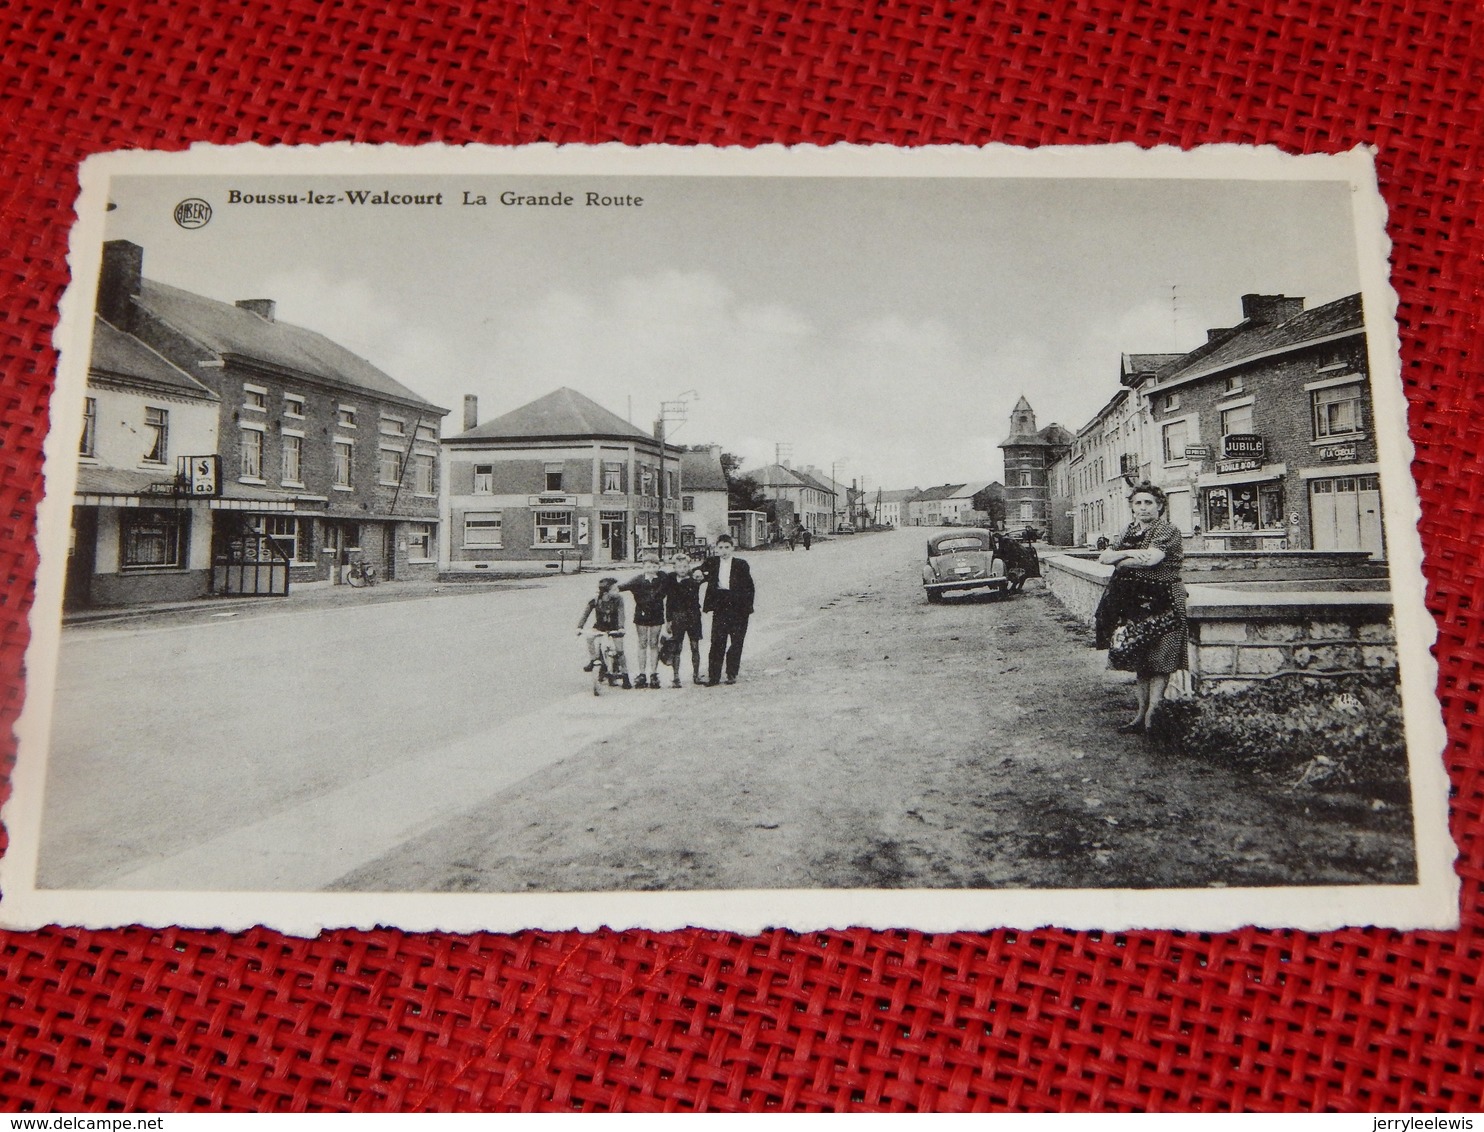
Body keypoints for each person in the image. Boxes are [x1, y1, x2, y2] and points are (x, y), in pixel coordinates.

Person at [1095, 483, 1188, 734]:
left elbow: (1152, 560)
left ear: (1159, 506)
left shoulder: (1168, 530)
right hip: (1136, 601)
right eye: (1138, 503)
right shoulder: (1129, 530)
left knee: (1161, 659)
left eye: (1149, 503)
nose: (1143, 507)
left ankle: (1153, 717)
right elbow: (1104, 557)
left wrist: (1121, 557)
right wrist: (1128, 555)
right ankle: (1139, 716)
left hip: (1165, 600)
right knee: (1141, 659)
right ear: (1132, 507)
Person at [701, 534, 755, 685]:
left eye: (727, 547)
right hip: (720, 604)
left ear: (732, 548)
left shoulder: (741, 564)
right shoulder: (711, 562)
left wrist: (747, 608)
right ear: (716, 549)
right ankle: (714, 676)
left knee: (736, 641)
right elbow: (698, 572)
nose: (723, 551)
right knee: (717, 640)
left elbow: (749, 587)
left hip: (738, 606)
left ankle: (732, 673)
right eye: (720, 548)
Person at [619, 554, 671, 689]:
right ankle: (642, 674)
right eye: (648, 566)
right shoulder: (638, 580)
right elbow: (621, 587)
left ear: (659, 566)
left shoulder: (663, 579)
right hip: (641, 615)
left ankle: (653, 674)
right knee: (642, 643)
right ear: (643, 567)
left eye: (654, 566)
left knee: (654, 643)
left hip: (657, 614)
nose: (651, 569)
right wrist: (603, 590)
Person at [577, 576, 629, 686]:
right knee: (590, 638)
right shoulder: (595, 600)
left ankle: (625, 675)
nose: (618, 591)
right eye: (614, 589)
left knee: (619, 651)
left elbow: (621, 613)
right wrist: (580, 627)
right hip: (600, 626)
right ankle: (594, 660)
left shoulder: (618, 599)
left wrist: (621, 627)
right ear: (606, 592)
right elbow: (586, 613)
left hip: (615, 627)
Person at [664, 560, 706, 687]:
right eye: (679, 567)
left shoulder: (694, 580)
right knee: (677, 647)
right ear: (674, 568)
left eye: (685, 566)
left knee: (695, 646)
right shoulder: (671, 581)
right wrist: (668, 620)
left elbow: (707, 574)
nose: (682, 569)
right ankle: (676, 677)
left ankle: (696, 675)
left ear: (689, 567)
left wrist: (698, 573)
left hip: (693, 616)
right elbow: (669, 602)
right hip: (677, 616)